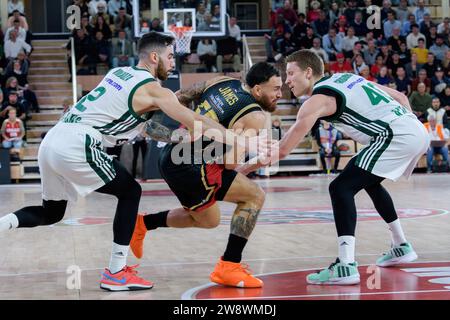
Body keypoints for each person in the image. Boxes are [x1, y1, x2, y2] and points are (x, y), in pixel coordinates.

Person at [0, 32, 267, 292]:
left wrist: (173, 136)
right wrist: (241, 140)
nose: (174, 62)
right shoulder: (155, 90)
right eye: (170, 56)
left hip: (53, 140)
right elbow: (197, 121)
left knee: (52, 212)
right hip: (77, 143)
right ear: (154, 57)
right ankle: (116, 273)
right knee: (130, 191)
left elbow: (142, 126)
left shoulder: (117, 73)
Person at [241, 49, 429, 285]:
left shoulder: (316, 101)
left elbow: (282, 151)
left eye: (290, 73)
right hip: (416, 128)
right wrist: (412, 132)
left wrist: (242, 170)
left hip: (394, 134)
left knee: (340, 188)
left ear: (308, 73)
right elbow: (401, 98)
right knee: (367, 182)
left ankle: (346, 265)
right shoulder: (348, 77)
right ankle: (401, 245)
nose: (287, 80)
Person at [129, 62, 283, 288]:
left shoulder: (221, 81)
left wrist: (182, 129)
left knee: (213, 218)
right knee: (251, 197)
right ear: (258, 90)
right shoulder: (255, 116)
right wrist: (254, 154)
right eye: (276, 89)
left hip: (176, 156)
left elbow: (180, 96)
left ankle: (142, 223)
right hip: (192, 167)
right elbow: (230, 164)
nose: (280, 94)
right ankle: (229, 266)